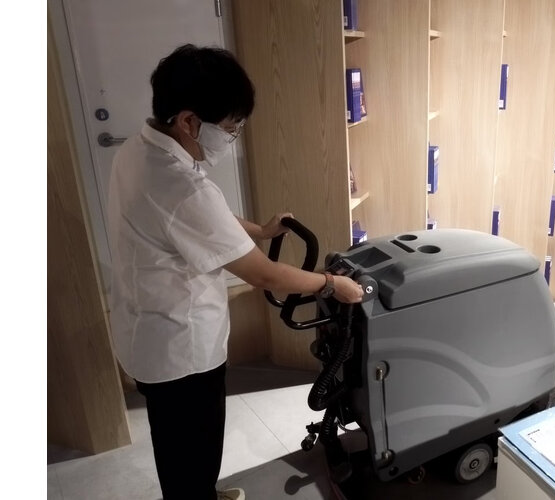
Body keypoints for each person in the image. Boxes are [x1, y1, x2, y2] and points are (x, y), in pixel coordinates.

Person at [106, 44, 364, 500]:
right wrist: (331, 283)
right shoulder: (181, 186)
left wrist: (261, 230)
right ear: (189, 121)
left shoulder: (138, 149)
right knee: (194, 448)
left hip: (148, 331)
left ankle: (200, 492)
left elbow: (205, 221)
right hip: (180, 351)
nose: (233, 138)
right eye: (229, 128)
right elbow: (264, 275)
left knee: (178, 445)